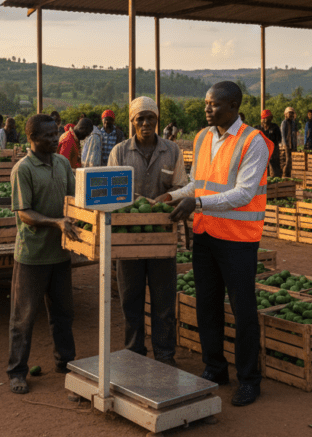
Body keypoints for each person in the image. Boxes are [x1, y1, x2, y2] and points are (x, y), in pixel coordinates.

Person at [163, 81, 273, 407]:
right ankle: (215, 368)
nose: (207, 108)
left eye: (214, 104)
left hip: (238, 240)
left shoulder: (254, 142)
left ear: (234, 106)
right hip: (206, 235)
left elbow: (244, 193)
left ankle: (249, 379)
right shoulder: (202, 137)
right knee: (207, 305)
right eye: (206, 103)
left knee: (243, 310)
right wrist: (171, 196)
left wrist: (196, 205)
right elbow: (199, 183)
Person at [110, 97, 188, 367]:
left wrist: (169, 197)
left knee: (163, 300)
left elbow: (182, 186)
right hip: (128, 238)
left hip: (162, 237)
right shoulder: (120, 152)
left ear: (158, 120)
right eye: (139, 118)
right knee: (130, 300)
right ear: (131, 121)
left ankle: (165, 355)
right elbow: (112, 191)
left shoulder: (172, 151)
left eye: (150, 118)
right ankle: (134, 354)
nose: (145, 123)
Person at [7, 114, 78, 395]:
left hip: (60, 254)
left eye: (56, 133)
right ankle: (16, 372)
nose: (55, 138)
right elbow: (24, 213)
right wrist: (56, 222)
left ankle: (66, 362)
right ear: (32, 139)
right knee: (23, 317)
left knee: (63, 314)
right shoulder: (22, 169)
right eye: (48, 135)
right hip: (32, 256)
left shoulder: (62, 163)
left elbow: (74, 199)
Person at [259, 110, 281, 177]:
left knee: (274, 168)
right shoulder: (259, 128)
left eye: (268, 118)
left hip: (273, 150)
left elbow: (279, 139)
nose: (266, 119)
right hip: (262, 150)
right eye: (264, 118)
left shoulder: (275, 127)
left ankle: (276, 182)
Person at [280, 107, 297, 177]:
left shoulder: (293, 123)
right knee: (286, 161)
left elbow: (294, 135)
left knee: (290, 163)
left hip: (292, 145)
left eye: (292, 113)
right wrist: (285, 145)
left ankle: (288, 176)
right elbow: (283, 135)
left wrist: (295, 145)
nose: (291, 115)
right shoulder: (284, 123)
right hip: (286, 146)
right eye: (289, 113)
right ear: (286, 114)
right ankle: (284, 176)